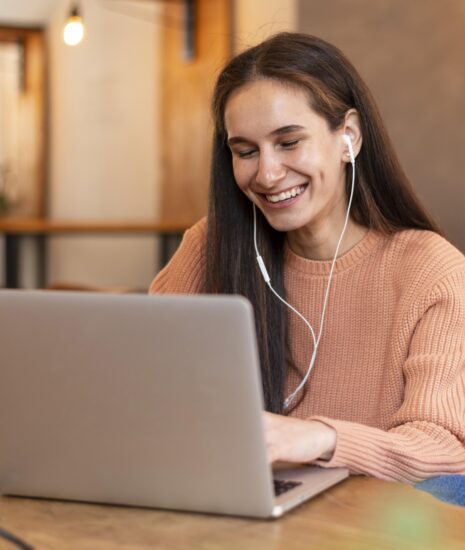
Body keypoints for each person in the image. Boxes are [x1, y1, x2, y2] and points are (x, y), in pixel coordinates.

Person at [149, 32, 465, 483]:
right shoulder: (212, 245)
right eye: (245, 151)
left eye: (289, 142)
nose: (268, 173)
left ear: (348, 137)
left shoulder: (431, 271)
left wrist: (318, 438)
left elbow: (446, 450)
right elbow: (142, 388)